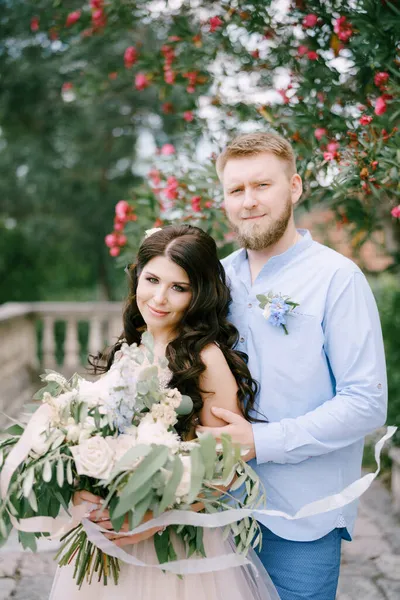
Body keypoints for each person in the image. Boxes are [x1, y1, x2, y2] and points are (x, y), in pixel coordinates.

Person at [196, 131, 388, 600]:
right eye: (236, 190)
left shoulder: (337, 278)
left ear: (295, 187)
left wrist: (261, 441)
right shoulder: (214, 279)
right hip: (214, 509)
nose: (249, 201)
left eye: (263, 185)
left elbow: (366, 404)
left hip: (301, 517)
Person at [49, 224, 280, 600]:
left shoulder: (206, 359)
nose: (159, 298)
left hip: (175, 545)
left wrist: (153, 518)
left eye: (179, 287)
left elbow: (223, 467)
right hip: (113, 535)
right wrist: (83, 487)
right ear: (137, 276)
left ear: (199, 294)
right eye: (152, 279)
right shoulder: (133, 344)